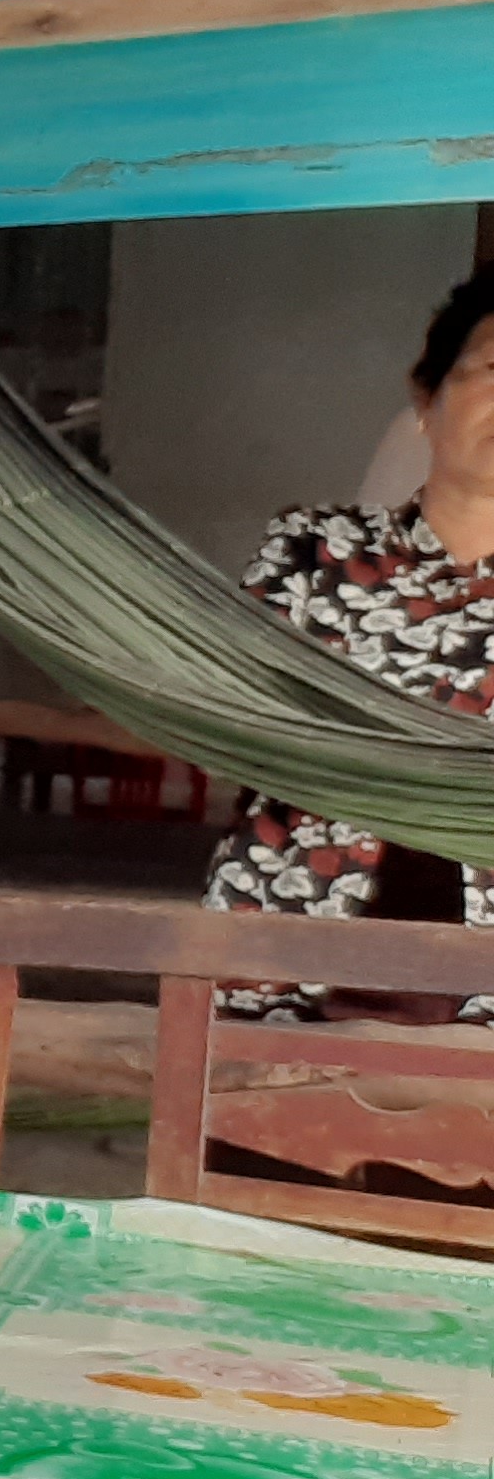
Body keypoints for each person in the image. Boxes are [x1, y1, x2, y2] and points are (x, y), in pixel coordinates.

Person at [202, 271, 494, 1021]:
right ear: (426, 398)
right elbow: (233, 715)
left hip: (482, 984)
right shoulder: (316, 550)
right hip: (291, 935)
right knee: (262, 1096)